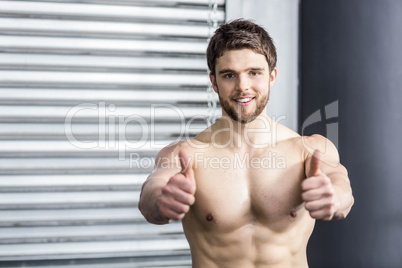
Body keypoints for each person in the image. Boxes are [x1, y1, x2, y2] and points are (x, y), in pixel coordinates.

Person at [138, 19, 354, 268]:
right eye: (229, 75)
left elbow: (341, 187)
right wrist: (161, 200)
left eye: (254, 72)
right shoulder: (184, 154)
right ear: (214, 82)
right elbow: (152, 190)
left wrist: (333, 198)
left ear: (272, 77)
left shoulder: (308, 150)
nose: (243, 87)